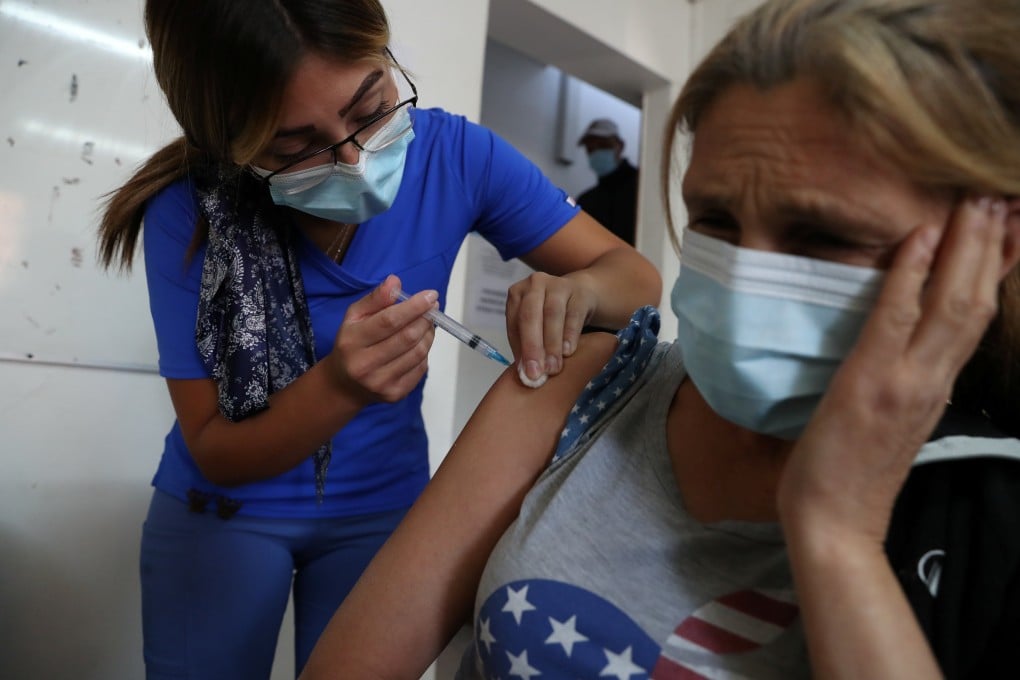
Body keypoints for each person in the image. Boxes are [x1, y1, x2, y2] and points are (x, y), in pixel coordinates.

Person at [298, 0, 1020, 678]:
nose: (746, 278)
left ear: (989, 252)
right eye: (715, 220)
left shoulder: (980, 510)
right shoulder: (584, 388)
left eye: (821, 236)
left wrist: (835, 538)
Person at [95, 0, 661, 677]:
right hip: (221, 510)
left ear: (388, 60)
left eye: (372, 107)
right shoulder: (188, 212)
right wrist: (339, 387)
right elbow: (217, 451)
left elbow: (635, 279)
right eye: (297, 146)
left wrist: (583, 291)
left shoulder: (455, 156)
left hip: (383, 513)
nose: (358, 161)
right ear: (234, 147)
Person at [576, 117, 640, 246]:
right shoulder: (586, 201)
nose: (596, 153)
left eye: (603, 145)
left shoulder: (643, 188)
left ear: (620, 145)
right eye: (590, 149)